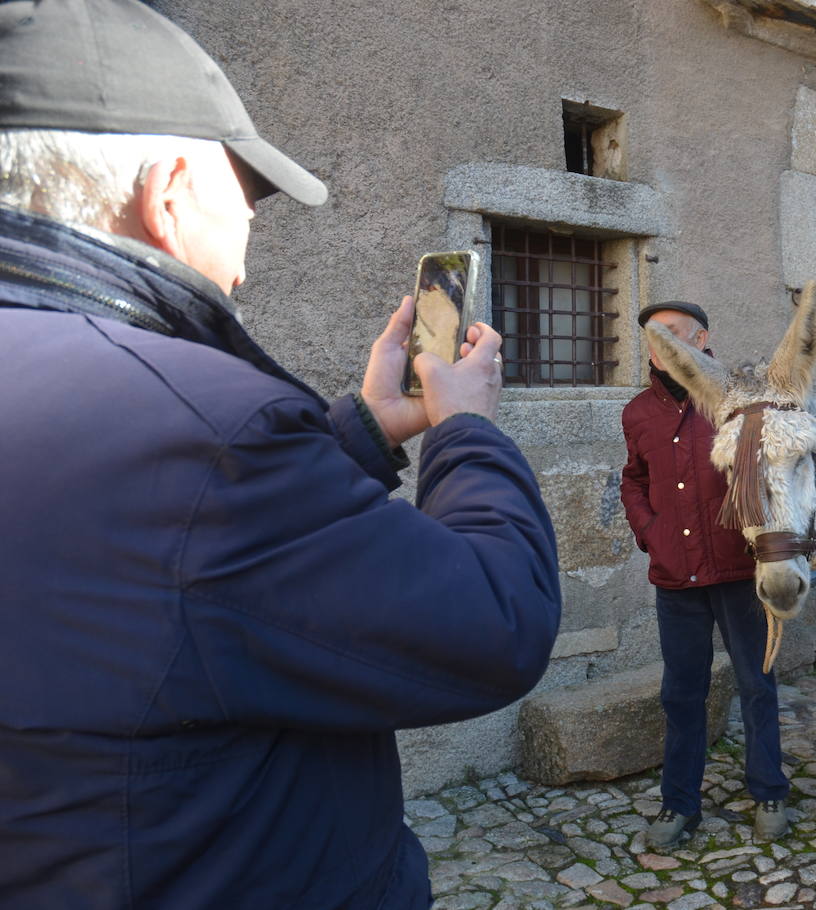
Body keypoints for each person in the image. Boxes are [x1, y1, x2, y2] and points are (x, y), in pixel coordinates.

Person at [0, 3, 560, 907]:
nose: (249, 255)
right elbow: (499, 621)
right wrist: (467, 429)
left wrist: (369, 429)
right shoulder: (194, 428)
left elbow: (174, 571)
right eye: (248, 196)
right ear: (170, 192)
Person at [620, 301, 790, 848]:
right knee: (681, 693)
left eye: (672, 333)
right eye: (653, 336)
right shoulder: (638, 412)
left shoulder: (734, 401)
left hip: (738, 571)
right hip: (676, 576)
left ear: (701, 338)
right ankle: (679, 805)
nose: (661, 344)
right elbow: (634, 480)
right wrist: (652, 531)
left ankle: (768, 789)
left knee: (755, 685)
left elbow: (769, 470)